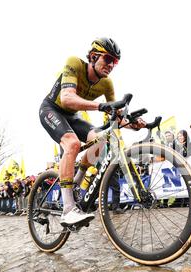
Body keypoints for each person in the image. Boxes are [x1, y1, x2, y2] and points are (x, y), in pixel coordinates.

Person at [39, 37, 145, 226]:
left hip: (72, 116)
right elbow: (66, 98)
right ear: (94, 56)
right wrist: (101, 106)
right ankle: (68, 209)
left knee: (101, 139)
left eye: (115, 61)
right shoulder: (74, 63)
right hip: (51, 109)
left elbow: (114, 115)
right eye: (108, 59)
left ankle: (77, 186)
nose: (111, 65)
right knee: (72, 144)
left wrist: (133, 124)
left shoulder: (107, 84)